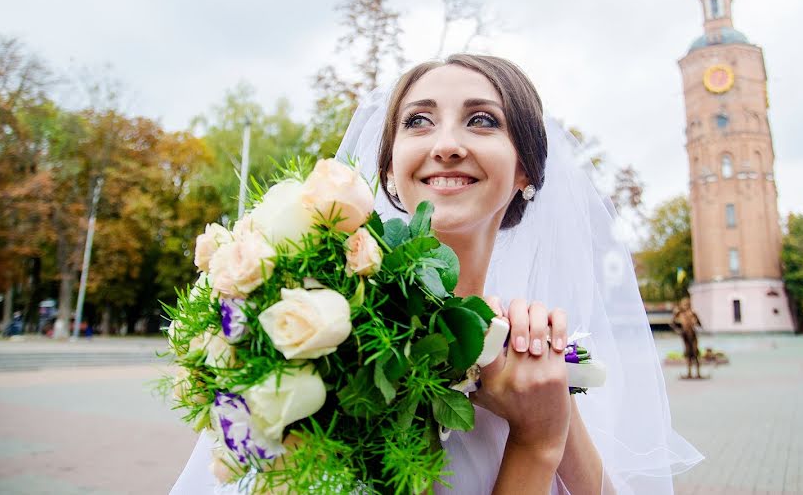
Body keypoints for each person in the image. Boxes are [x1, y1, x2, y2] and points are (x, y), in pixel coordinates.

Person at [172, 54, 702, 494]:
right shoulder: (329, 333)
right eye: (418, 121)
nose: (446, 144)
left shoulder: (530, 348)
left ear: (525, 170)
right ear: (389, 173)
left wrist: (553, 407)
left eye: (482, 120)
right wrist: (536, 444)